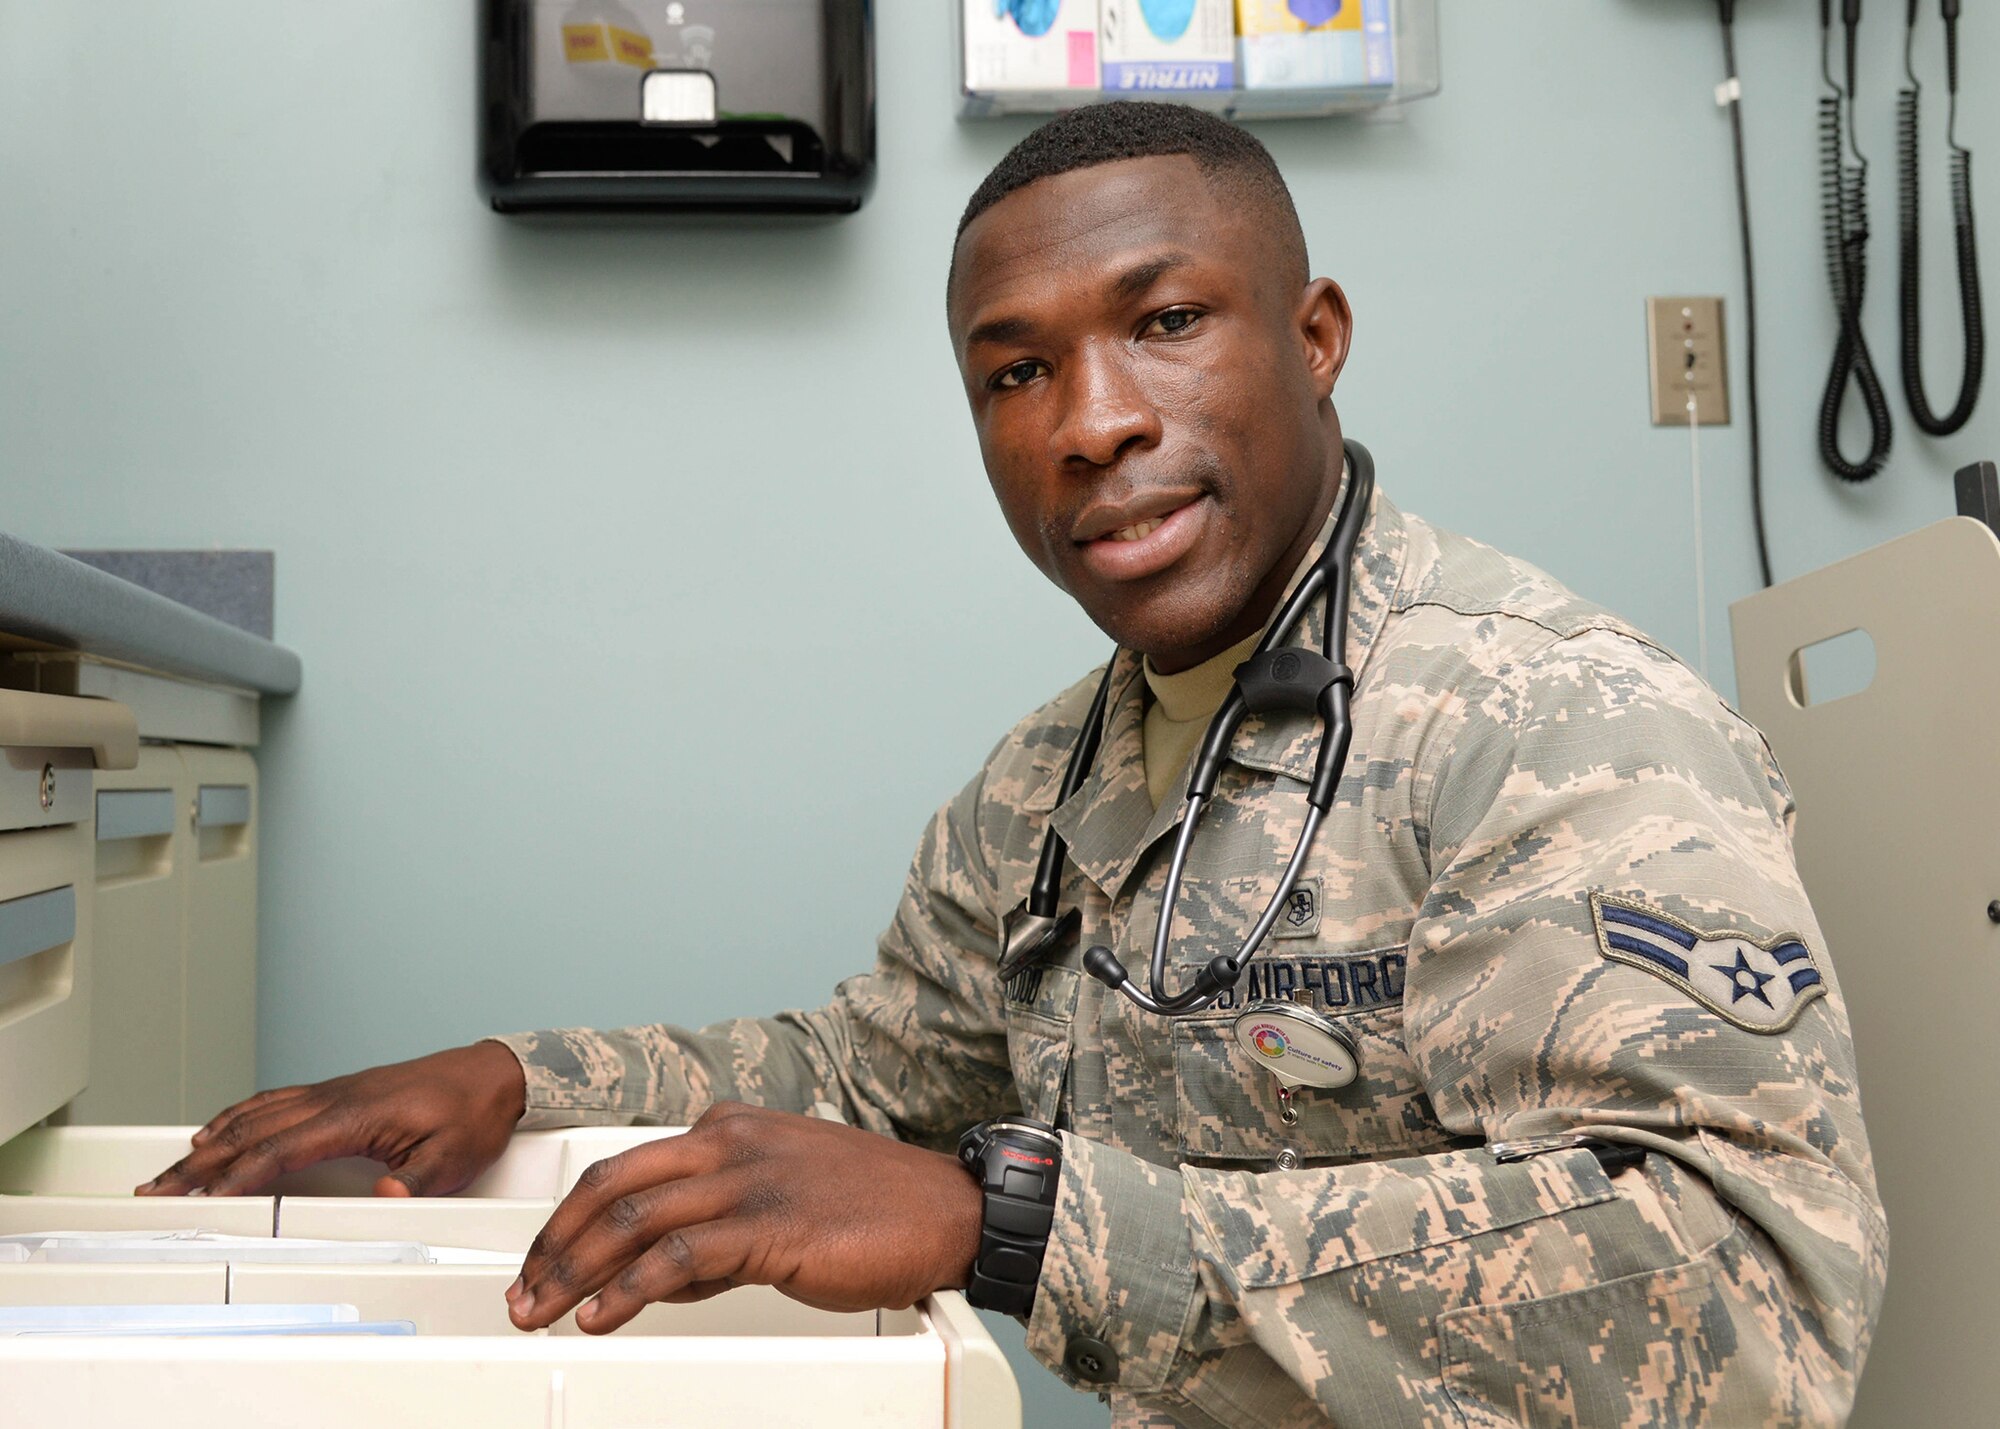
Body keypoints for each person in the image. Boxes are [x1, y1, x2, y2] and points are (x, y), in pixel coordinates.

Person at [139, 103, 1886, 1426]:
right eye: (1016, 370)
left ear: (1317, 333)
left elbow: (1750, 1295)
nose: (1093, 418)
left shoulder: (1550, 720)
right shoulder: (1049, 785)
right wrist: (521, 1074)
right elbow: (867, 1072)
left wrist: (1012, 1218)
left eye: (1168, 322)